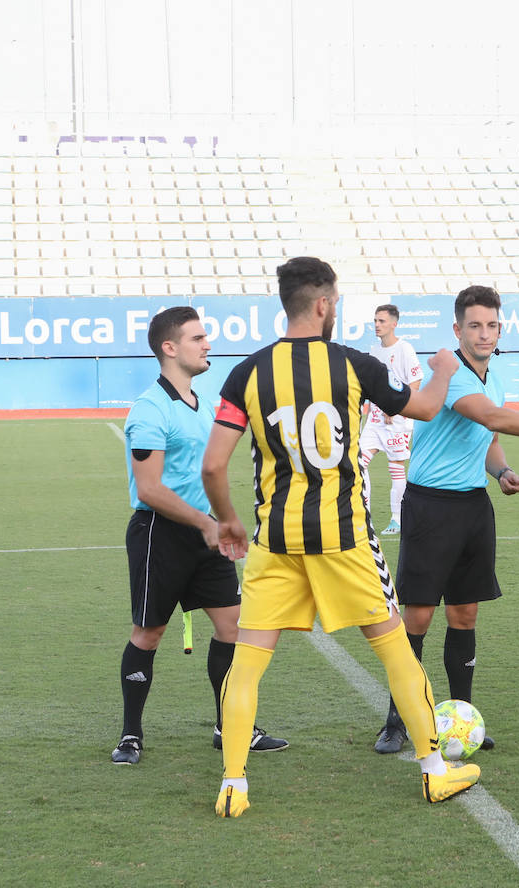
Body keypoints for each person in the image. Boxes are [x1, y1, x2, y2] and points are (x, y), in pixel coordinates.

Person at [200, 256, 479, 818]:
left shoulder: (246, 373)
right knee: (396, 648)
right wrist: (445, 369)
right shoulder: (354, 364)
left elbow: (212, 466)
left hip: (273, 542)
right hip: (344, 538)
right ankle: (433, 772)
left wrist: (229, 520)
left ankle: (233, 783)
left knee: (248, 663)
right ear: (324, 304)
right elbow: (424, 407)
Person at [371, 285, 519, 755]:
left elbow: (487, 433)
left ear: (501, 328)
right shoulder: (456, 377)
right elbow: (490, 415)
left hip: (472, 508)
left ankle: (462, 717)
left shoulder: (493, 375)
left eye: (492, 325)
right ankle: (397, 721)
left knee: (465, 613)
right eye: (475, 325)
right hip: (429, 506)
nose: (485, 333)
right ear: (457, 330)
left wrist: (500, 470)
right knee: (418, 616)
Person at [112, 305, 287, 766]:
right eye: (197, 337)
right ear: (170, 348)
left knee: (234, 627)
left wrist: (219, 520)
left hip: (205, 536)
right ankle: (131, 735)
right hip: (160, 536)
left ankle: (229, 726)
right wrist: (207, 523)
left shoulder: (205, 403)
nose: (208, 343)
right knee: (148, 635)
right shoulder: (149, 409)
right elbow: (149, 489)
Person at [360, 303, 423, 535]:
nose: (377, 325)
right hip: (375, 421)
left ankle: (397, 519)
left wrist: (395, 407)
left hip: (397, 421)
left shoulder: (404, 349)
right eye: (375, 321)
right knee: (357, 463)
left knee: (395, 468)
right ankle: (364, 517)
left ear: (394, 324)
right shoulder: (374, 351)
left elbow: (415, 382)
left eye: (382, 321)